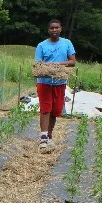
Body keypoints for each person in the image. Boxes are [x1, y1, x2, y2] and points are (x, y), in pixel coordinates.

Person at [35, 19, 76, 151]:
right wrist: (47, 69)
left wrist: (57, 65)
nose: (54, 30)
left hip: (60, 82)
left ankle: (49, 136)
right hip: (44, 82)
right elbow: (38, 65)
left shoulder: (67, 43)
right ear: (48, 30)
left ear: (60, 29)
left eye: (56, 28)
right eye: (52, 28)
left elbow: (72, 61)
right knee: (45, 109)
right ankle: (43, 139)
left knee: (55, 110)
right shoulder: (41, 46)